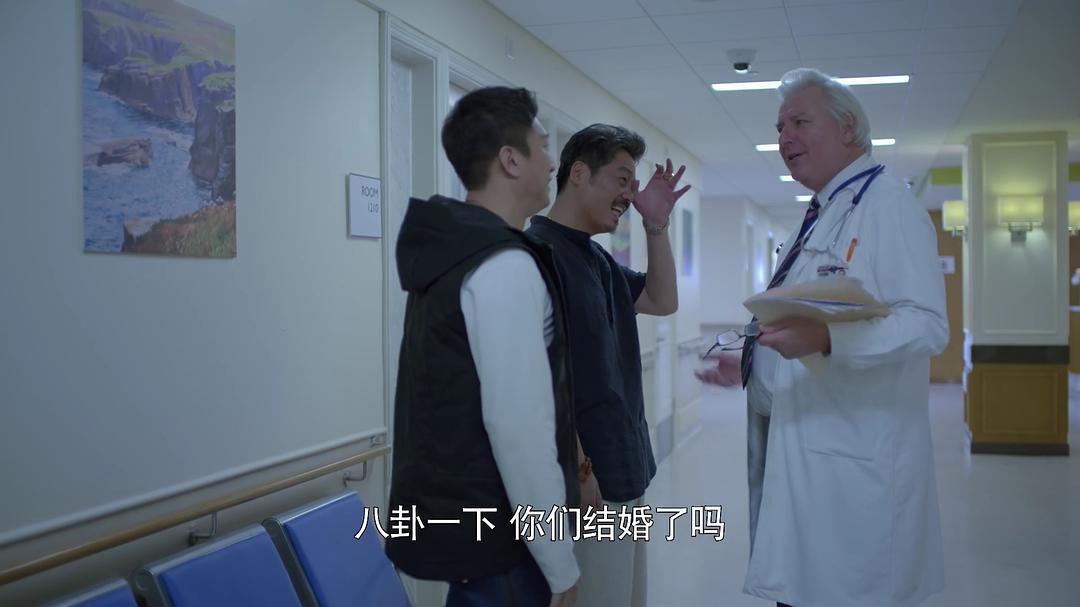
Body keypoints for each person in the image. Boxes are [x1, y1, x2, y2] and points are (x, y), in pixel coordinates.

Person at [696, 68, 948, 607]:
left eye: (800, 122)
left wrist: (829, 340)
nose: (784, 138)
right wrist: (753, 363)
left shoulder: (888, 205)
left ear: (849, 127)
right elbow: (802, 316)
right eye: (779, 127)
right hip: (807, 453)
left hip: (854, 471)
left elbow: (927, 324)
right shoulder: (820, 214)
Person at [386, 86, 580, 607]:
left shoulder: (452, 251)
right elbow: (519, 428)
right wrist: (559, 561)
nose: (552, 162)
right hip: (505, 549)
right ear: (511, 160)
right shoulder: (502, 265)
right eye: (544, 146)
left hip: (470, 540)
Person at [527, 124, 689, 607]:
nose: (629, 194)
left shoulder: (596, 259)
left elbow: (662, 300)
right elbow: (538, 379)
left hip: (623, 471)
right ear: (579, 173)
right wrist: (580, 471)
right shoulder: (538, 255)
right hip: (584, 485)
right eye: (621, 179)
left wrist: (656, 225)